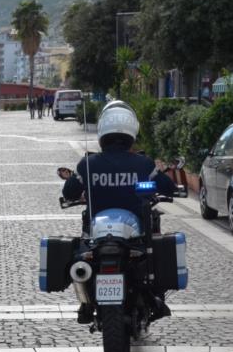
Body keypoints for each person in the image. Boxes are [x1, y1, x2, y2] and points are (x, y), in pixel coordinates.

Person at [61, 100, 176, 321]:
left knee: (82, 254)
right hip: (134, 237)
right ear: (132, 130)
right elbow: (169, 187)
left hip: (98, 234)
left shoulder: (89, 164)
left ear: (103, 130)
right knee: (152, 250)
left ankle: (85, 303)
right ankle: (155, 296)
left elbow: (69, 192)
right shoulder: (143, 164)